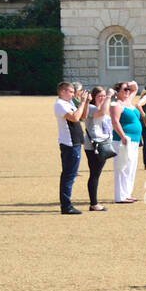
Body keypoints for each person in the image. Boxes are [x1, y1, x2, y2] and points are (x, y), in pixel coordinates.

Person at [54, 81, 90, 215]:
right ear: (62, 91)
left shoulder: (68, 103)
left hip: (75, 142)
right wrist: (81, 103)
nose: (73, 94)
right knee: (69, 176)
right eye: (71, 92)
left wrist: (85, 103)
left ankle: (67, 204)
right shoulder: (60, 104)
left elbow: (83, 116)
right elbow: (75, 118)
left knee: (70, 175)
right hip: (69, 144)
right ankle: (66, 206)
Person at [110, 80, 145, 203]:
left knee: (131, 167)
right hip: (123, 140)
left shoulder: (128, 101)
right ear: (117, 92)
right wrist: (123, 136)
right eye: (124, 89)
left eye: (128, 89)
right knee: (122, 167)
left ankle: (127, 193)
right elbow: (115, 121)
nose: (127, 91)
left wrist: (130, 83)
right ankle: (120, 196)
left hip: (134, 140)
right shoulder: (116, 104)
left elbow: (135, 87)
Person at [83, 85, 114, 210]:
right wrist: (108, 97)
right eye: (99, 96)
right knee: (94, 174)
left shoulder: (102, 107)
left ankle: (94, 202)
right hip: (94, 145)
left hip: (104, 144)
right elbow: (102, 113)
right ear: (93, 97)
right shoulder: (91, 107)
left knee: (97, 173)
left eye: (103, 95)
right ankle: (94, 203)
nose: (102, 98)